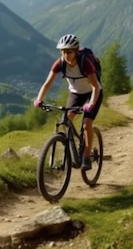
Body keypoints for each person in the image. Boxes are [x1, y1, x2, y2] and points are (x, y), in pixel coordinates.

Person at [33, 34, 103, 170]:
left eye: (69, 51)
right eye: (63, 51)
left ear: (76, 51)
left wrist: (91, 103)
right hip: (76, 93)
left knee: (87, 124)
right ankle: (71, 150)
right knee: (66, 119)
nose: (65, 54)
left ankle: (86, 157)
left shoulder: (85, 63)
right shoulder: (60, 63)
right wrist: (39, 99)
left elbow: (95, 87)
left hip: (93, 93)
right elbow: (48, 83)